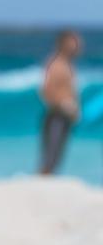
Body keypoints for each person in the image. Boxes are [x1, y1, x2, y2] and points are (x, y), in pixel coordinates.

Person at [39, 30, 83, 175]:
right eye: (73, 42)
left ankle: (46, 183)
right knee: (50, 157)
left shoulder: (68, 64)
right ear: (64, 44)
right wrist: (65, 105)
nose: (77, 45)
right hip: (56, 115)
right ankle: (41, 183)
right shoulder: (56, 64)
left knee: (57, 157)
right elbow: (46, 91)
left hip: (65, 116)